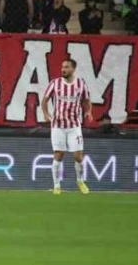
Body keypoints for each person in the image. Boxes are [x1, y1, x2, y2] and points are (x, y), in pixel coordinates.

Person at [40, 58, 93, 196]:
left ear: (73, 69)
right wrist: (46, 114)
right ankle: (56, 185)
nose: (63, 69)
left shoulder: (80, 84)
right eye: (62, 67)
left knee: (78, 156)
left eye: (67, 67)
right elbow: (44, 100)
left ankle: (80, 181)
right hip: (58, 125)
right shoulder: (55, 83)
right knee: (58, 155)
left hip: (74, 126)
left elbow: (87, 100)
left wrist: (88, 111)